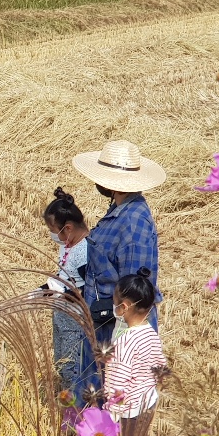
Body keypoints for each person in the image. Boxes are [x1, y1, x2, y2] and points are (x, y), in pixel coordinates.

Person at [72, 139, 165, 345]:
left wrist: (122, 346)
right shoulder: (119, 208)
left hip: (117, 334)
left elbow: (135, 292)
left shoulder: (133, 224)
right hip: (103, 322)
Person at [103, 268, 167, 436]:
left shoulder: (124, 342)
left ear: (124, 307)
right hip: (147, 402)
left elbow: (117, 383)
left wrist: (109, 414)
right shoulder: (150, 332)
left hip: (128, 410)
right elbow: (160, 367)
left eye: (115, 301)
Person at [44, 187, 96, 406]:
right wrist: (46, 288)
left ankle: (76, 412)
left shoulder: (84, 251)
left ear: (68, 228)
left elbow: (89, 290)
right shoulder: (68, 246)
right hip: (62, 316)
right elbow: (64, 276)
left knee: (72, 366)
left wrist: (64, 293)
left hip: (75, 321)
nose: (52, 235)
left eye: (53, 230)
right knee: (61, 362)